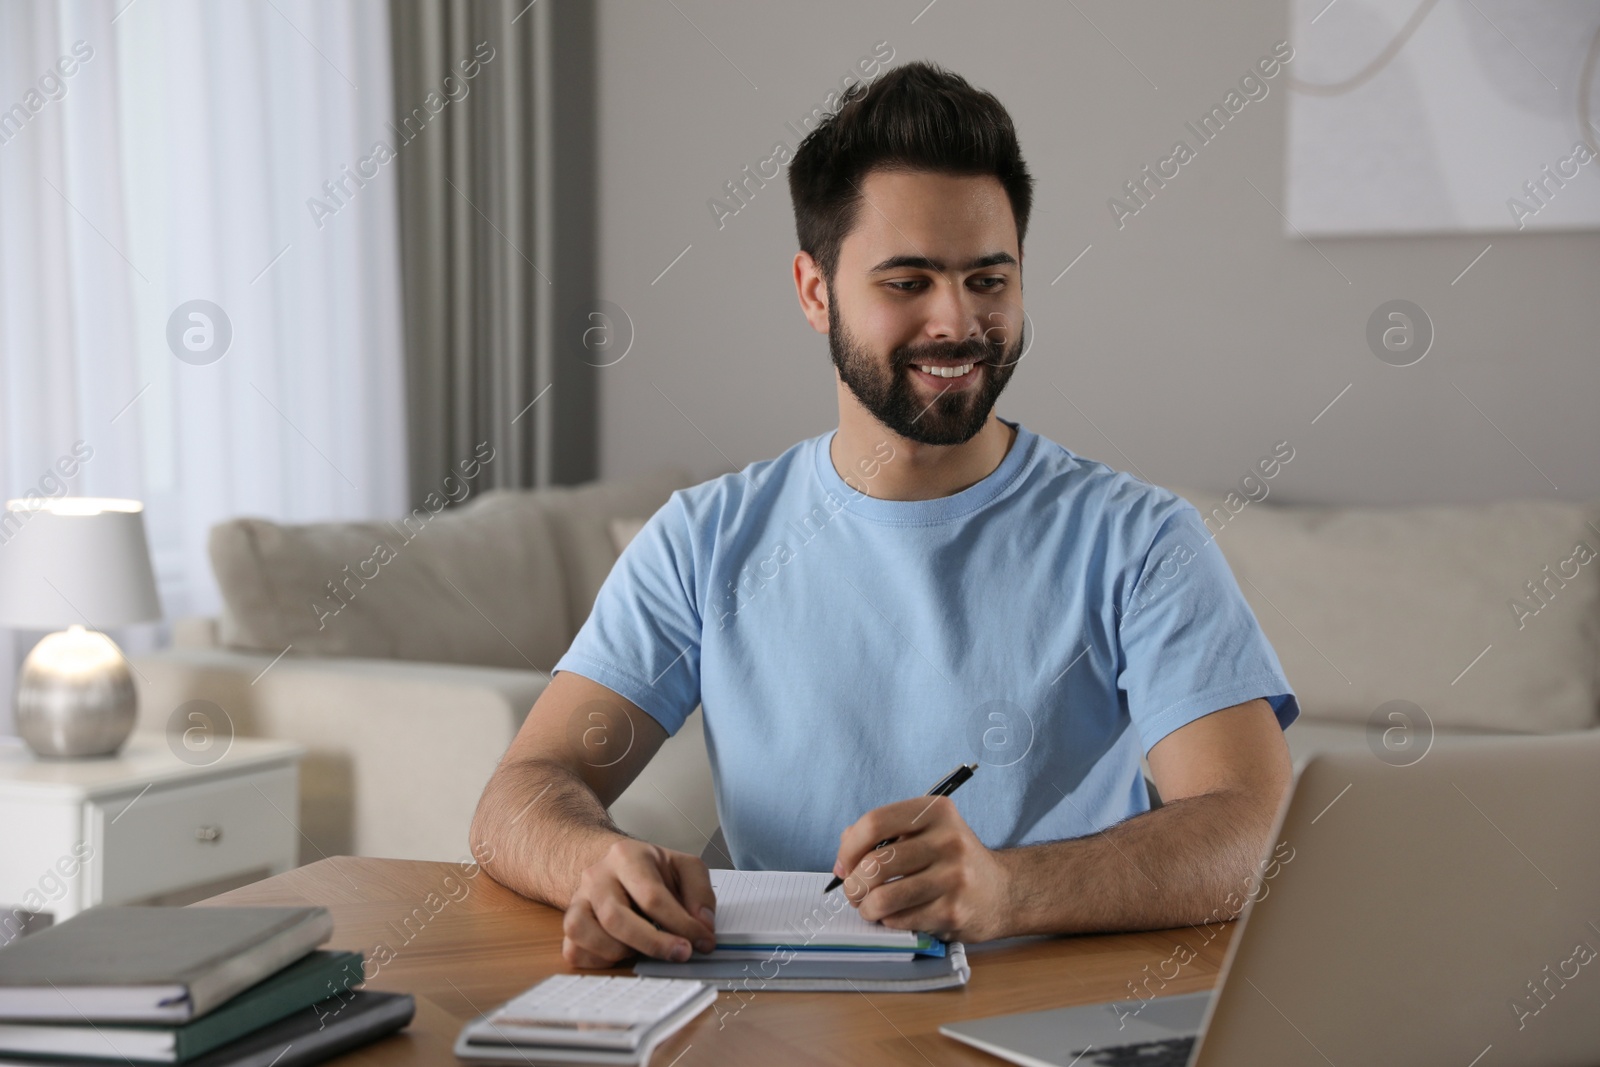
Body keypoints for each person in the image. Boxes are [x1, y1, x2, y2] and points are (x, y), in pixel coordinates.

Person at [471, 60, 1299, 969]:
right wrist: (595, 861)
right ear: (815, 289)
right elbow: (525, 790)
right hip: (782, 1022)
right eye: (907, 283)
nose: (958, 320)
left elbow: (1250, 830)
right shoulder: (704, 540)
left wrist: (1007, 889)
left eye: (990, 279)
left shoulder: (1141, 540)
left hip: (1054, 1019)